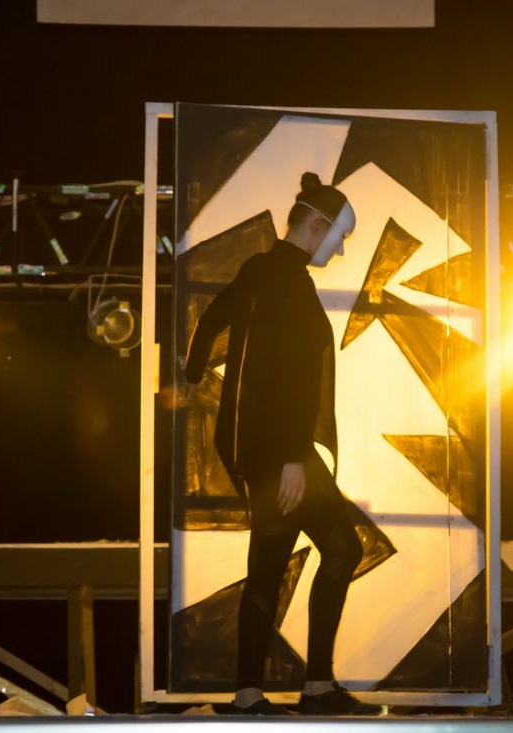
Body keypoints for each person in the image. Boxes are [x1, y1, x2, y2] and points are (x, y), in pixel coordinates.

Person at [182, 172, 380, 716]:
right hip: (280, 452)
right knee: (339, 549)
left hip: (258, 449)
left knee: (274, 564)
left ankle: (261, 692)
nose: (340, 249)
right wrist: (295, 456)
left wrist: (193, 375)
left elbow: (211, 319)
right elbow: (293, 377)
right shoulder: (291, 283)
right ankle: (309, 688)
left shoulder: (259, 270)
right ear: (315, 224)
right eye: (338, 236)